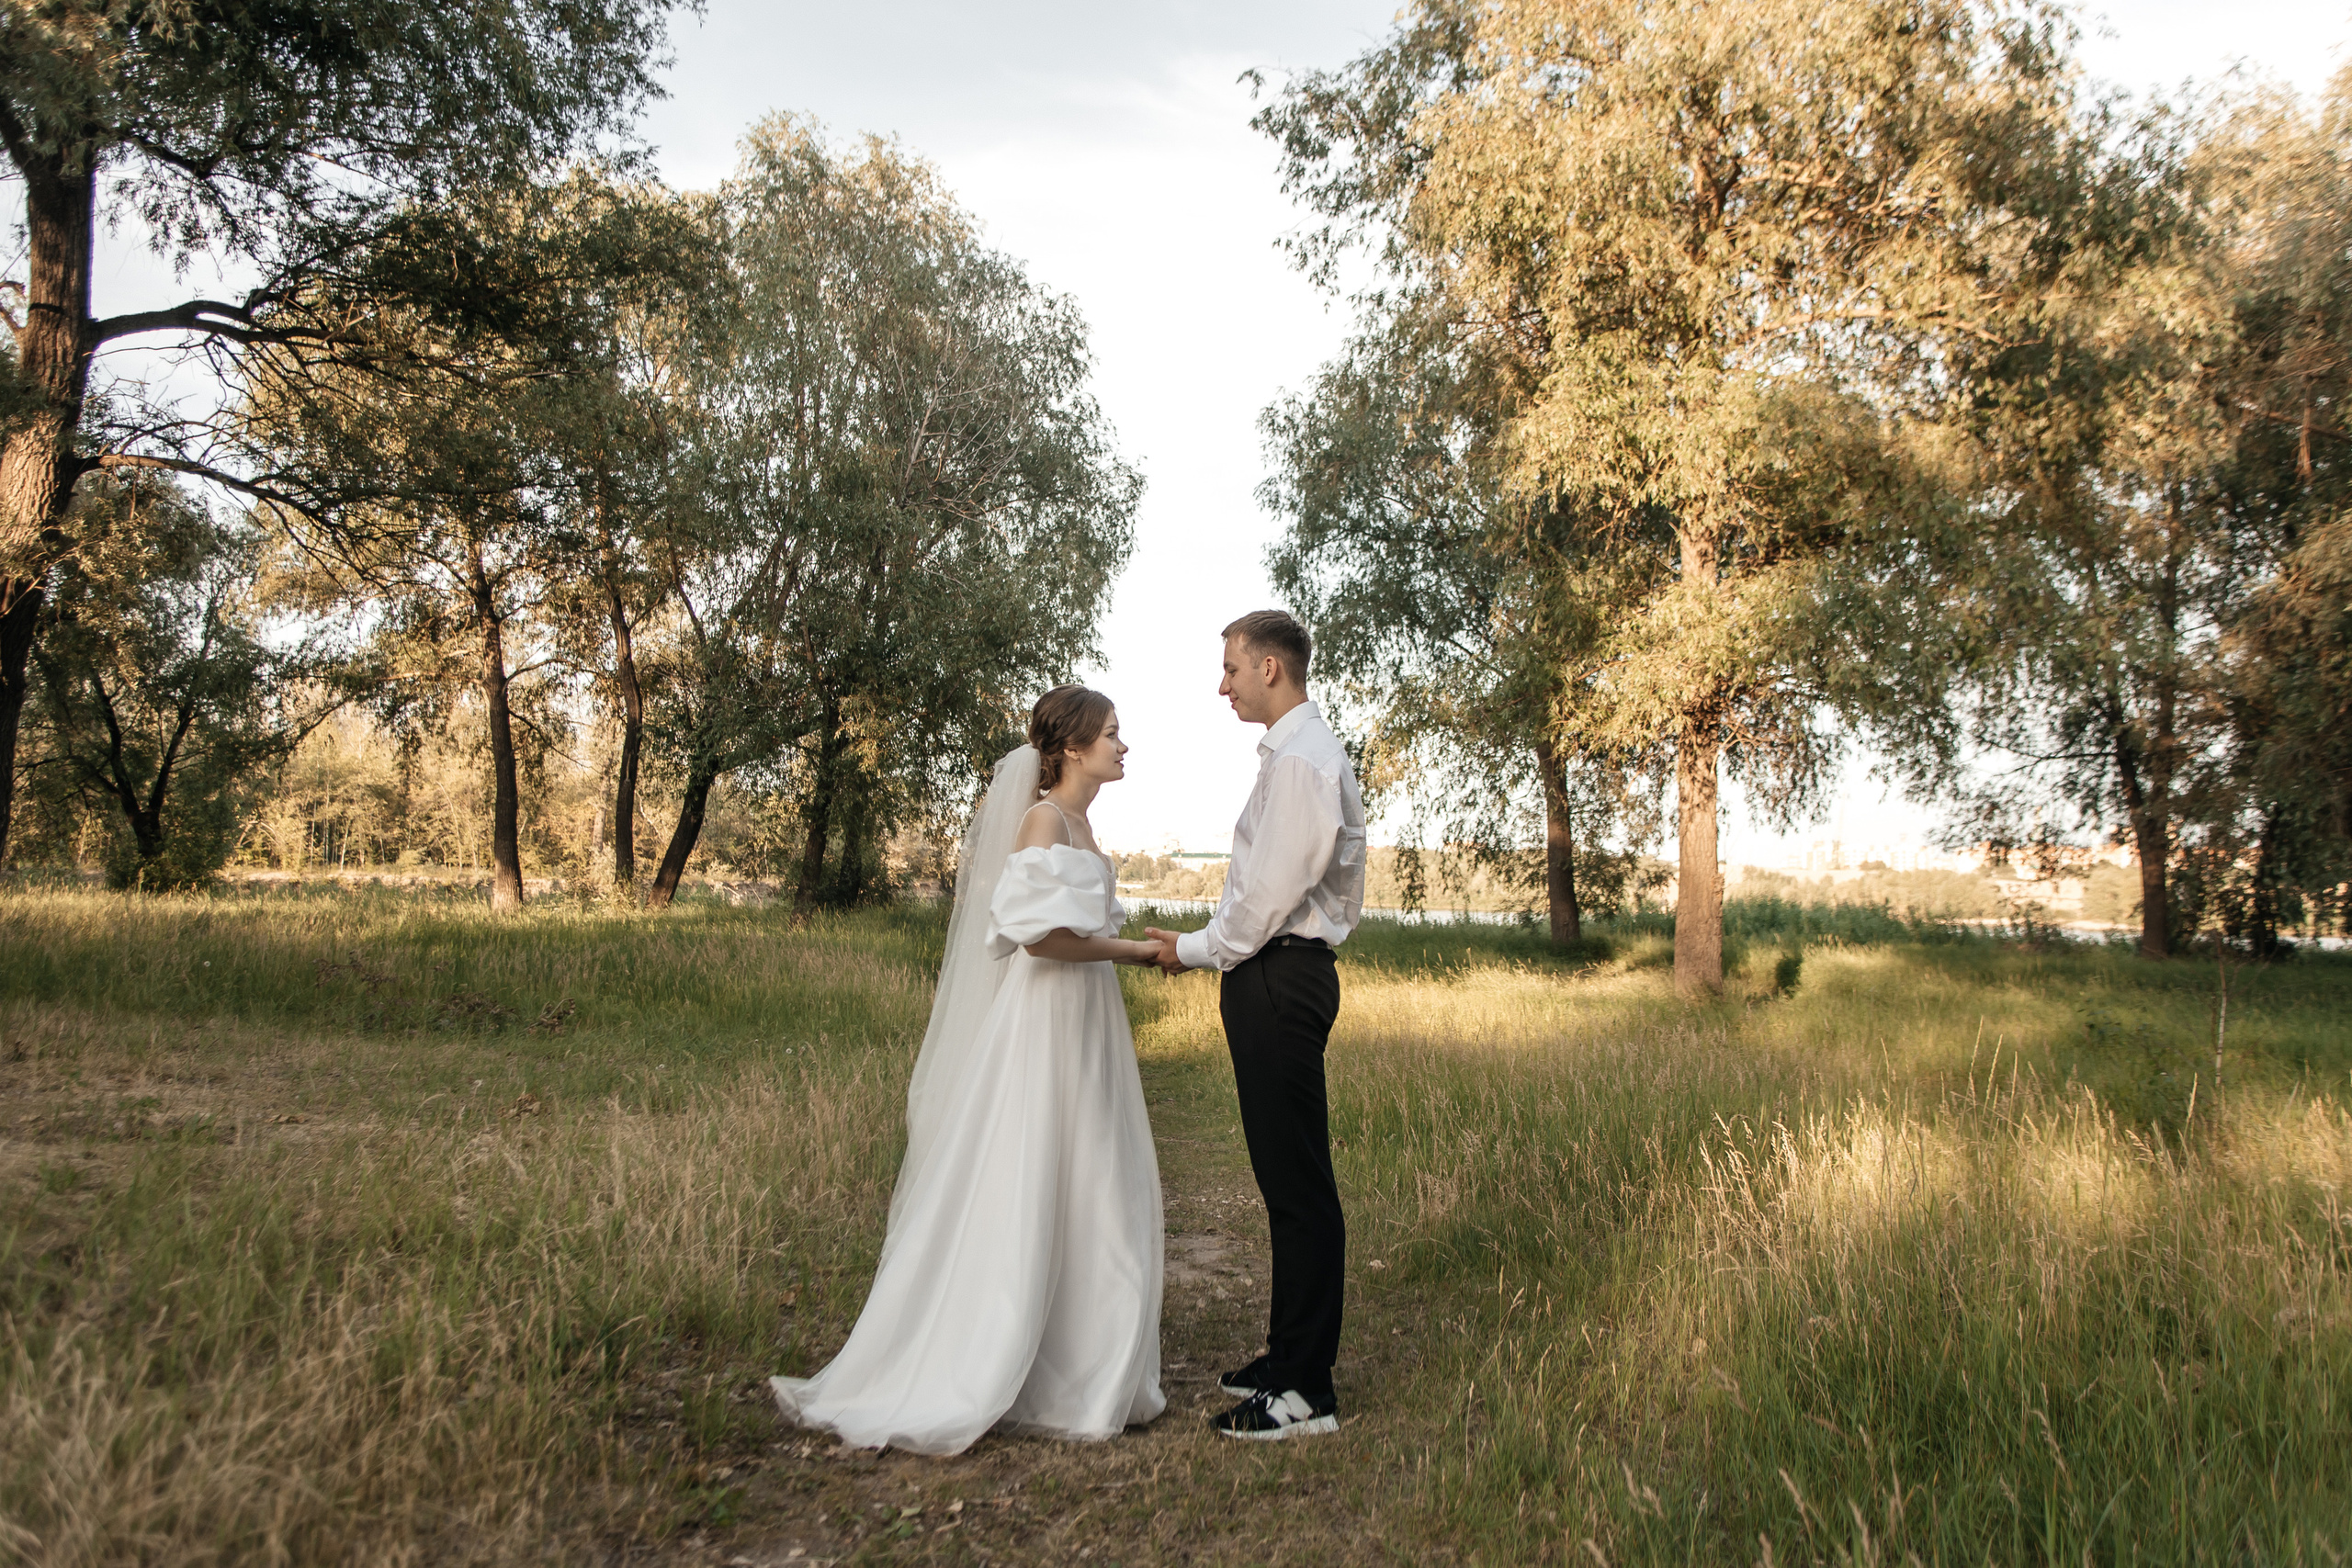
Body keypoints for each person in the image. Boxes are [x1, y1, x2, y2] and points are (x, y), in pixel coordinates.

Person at [770, 686, 1167, 1454]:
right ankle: (1000, 1356)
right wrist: (1136, 951)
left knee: (1095, 1175)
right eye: (1113, 734)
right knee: (1038, 1170)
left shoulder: (1083, 823)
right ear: (1075, 747)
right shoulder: (1041, 821)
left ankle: (1088, 1365)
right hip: (1048, 1014)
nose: (1124, 746)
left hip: (1089, 1016)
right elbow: (1040, 940)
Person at [1146, 610, 1366, 1440]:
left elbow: (1269, 897)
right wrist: (1211, 947)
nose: (1223, 683)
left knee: (1301, 1184)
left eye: (1231, 668)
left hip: (1281, 976)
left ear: (1271, 668)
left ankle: (1306, 1393)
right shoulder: (1292, 755)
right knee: (1284, 1181)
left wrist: (1195, 949)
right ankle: (1286, 1355)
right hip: (1267, 974)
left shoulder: (1305, 761)